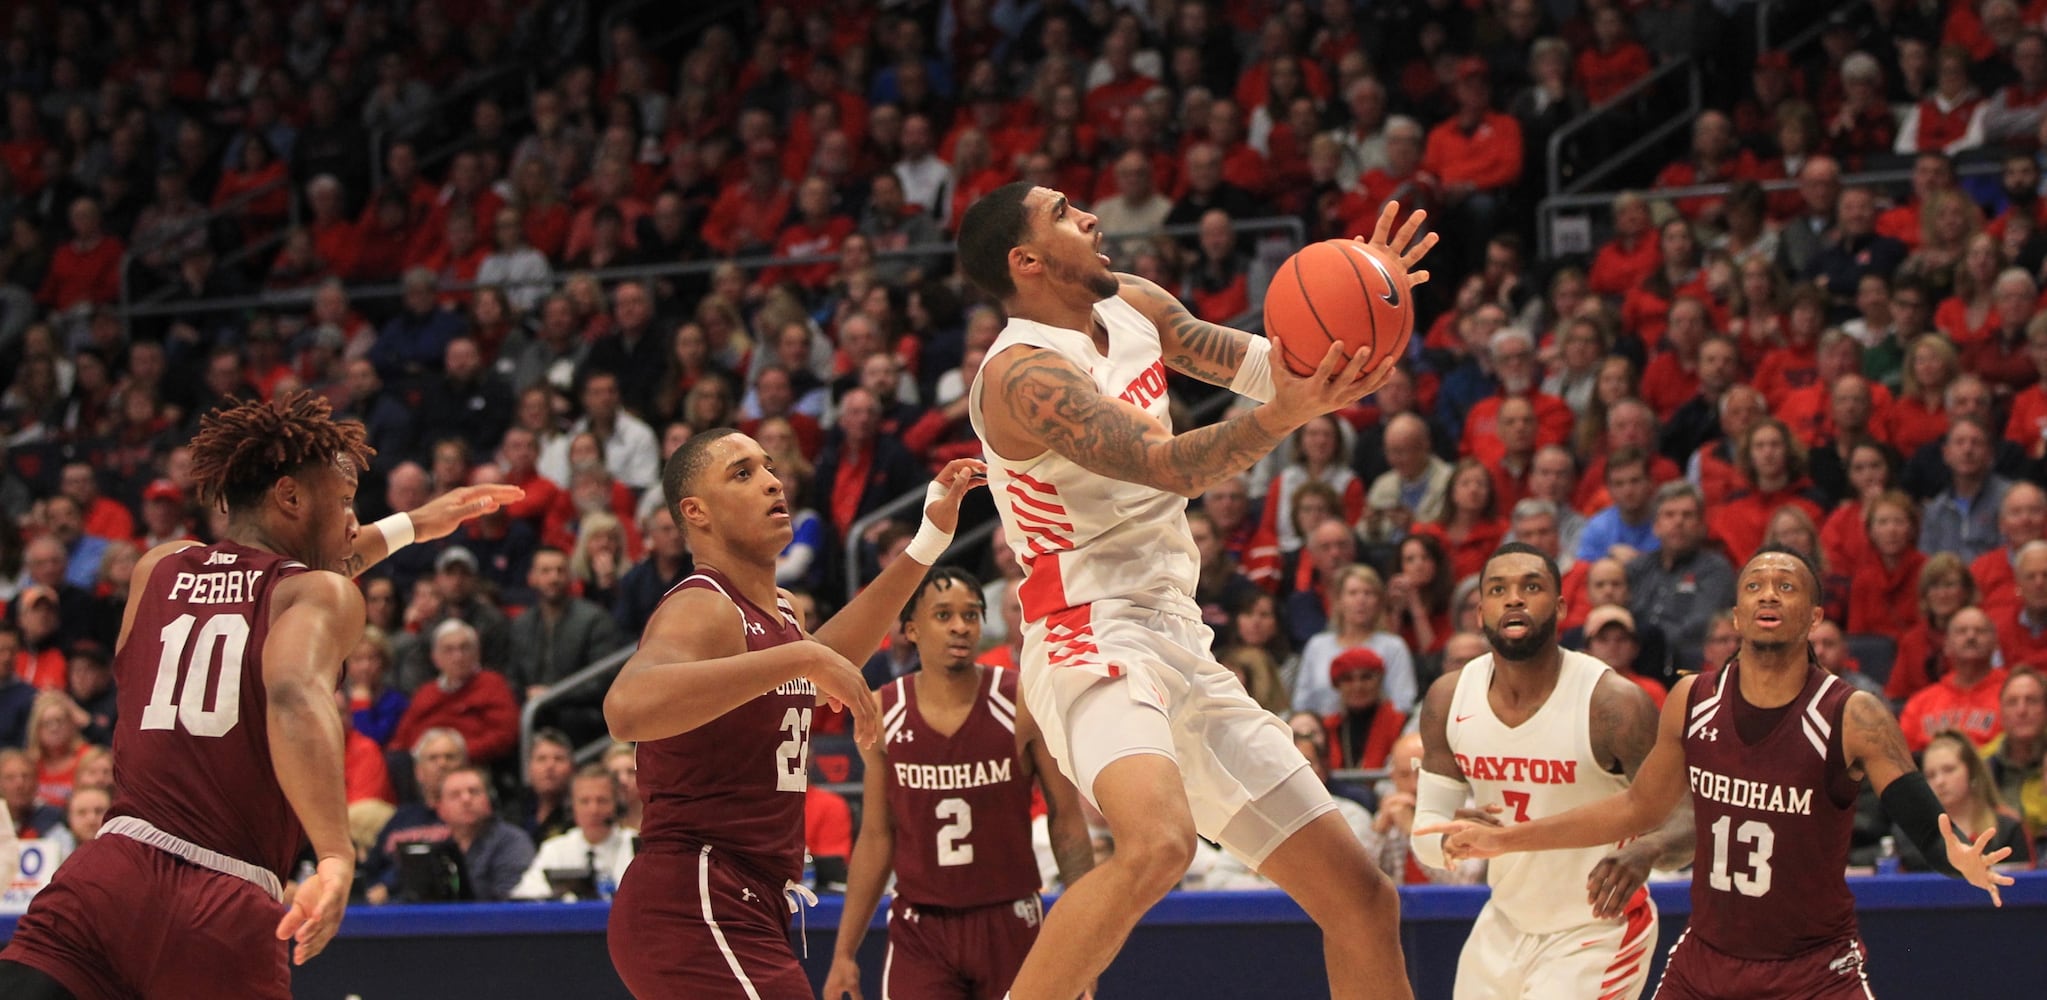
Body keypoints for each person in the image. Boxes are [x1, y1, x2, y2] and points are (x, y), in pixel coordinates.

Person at [959, 182, 1431, 1000]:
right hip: (1086, 631)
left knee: (1361, 898)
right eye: (1066, 213)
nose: (1092, 216)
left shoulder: (1136, 304)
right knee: (1156, 845)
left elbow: (1276, 371)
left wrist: (1366, 304)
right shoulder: (1020, 376)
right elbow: (1171, 465)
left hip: (1178, 635)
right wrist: (1288, 412)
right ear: (1025, 261)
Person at [0, 393, 517, 998]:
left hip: (108, 876)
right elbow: (295, 692)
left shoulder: (156, 568)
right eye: (345, 502)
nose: (353, 521)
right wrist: (335, 854)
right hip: (222, 902)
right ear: (291, 497)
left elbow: (271, 578)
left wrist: (415, 526)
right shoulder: (314, 595)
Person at [1423, 546, 2015, 1000]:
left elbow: (1913, 804)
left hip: (1813, 966)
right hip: (1706, 960)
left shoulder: (1850, 713)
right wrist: (1507, 839)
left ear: (1813, 617)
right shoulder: (1692, 699)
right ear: (1735, 613)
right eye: (1755, 584)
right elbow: (1637, 810)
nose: (1769, 594)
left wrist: (1953, 854)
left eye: (1787, 587)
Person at [601, 426, 982, 999]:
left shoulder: (780, 612)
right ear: (696, 512)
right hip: (695, 892)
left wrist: (927, 542)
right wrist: (799, 656)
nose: (772, 481)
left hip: (748, 897)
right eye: (743, 473)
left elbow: (823, 660)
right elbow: (626, 709)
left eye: (770, 467)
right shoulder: (703, 604)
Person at [1413, 543, 1692, 1000]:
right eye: (1498, 589)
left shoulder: (1613, 704)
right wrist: (1445, 839)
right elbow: (1424, 833)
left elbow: (1690, 815)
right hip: (1502, 925)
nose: (1514, 599)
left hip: (1596, 929)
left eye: (1532, 586)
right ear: (1480, 609)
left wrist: (1649, 849)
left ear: (1561, 607)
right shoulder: (1448, 698)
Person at [823, 568, 1096, 1000]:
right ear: (911, 629)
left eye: (971, 615)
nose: (960, 627)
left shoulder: (1023, 700)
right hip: (921, 927)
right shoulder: (883, 712)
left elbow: (1066, 822)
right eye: (944, 615)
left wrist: (1087, 941)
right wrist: (844, 953)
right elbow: (877, 837)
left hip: (1011, 919)